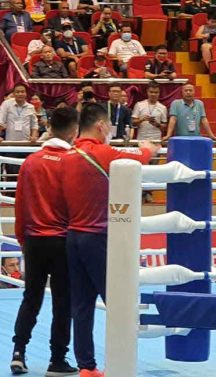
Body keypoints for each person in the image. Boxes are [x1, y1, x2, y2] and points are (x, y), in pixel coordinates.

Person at [61, 103, 158, 377]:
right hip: (98, 237)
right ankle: (119, 363)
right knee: (118, 300)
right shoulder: (102, 152)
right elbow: (138, 160)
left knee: (81, 304)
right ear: (102, 126)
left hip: (73, 236)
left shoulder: (67, 155)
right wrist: (151, 148)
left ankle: (87, 367)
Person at [10, 107, 80, 376]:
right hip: (62, 241)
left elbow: (20, 206)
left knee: (31, 298)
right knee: (63, 302)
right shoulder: (74, 162)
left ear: (49, 126)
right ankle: (57, 360)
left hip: (34, 240)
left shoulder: (31, 162)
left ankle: (18, 353)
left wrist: (22, 239)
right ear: (74, 131)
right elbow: (79, 205)